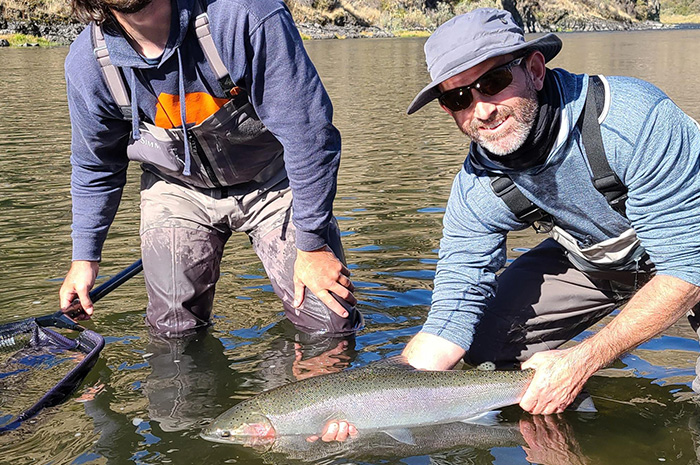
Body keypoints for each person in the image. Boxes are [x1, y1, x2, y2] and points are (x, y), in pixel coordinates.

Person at [397, 7, 700, 416]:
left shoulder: (634, 122)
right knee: (483, 345)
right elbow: (454, 307)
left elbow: (686, 269)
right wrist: (378, 394)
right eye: (459, 96)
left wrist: (584, 358)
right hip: (600, 258)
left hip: (689, 253)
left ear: (535, 70)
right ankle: (569, 423)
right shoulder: (479, 186)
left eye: (494, 82)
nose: (481, 109)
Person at [59, 0, 363, 337]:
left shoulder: (244, 15)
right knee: (173, 334)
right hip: (177, 190)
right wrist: (84, 258)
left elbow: (309, 134)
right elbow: (96, 165)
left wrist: (313, 246)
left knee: (331, 324)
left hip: (276, 180)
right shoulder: (89, 64)